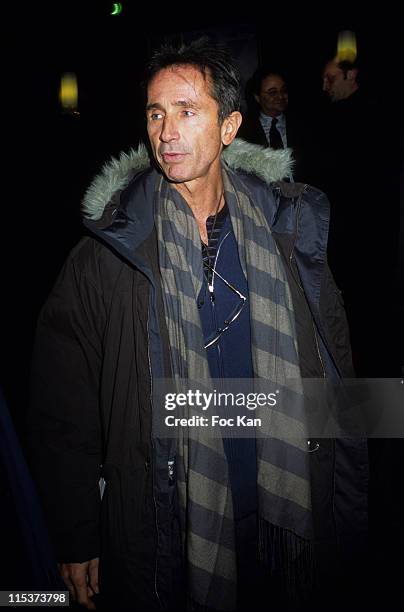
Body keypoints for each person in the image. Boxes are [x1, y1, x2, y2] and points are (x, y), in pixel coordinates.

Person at [28, 39, 369, 611]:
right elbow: (63, 404)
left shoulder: (288, 231)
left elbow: (337, 367)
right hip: (172, 514)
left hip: (282, 504)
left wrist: (354, 492)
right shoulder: (111, 253)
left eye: (187, 111)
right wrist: (76, 529)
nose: (166, 132)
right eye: (156, 113)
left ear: (230, 126)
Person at [238, 67, 313, 182]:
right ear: (257, 97)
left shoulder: (303, 125)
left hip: (303, 195)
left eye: (283, 90)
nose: (280, 96)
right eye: (272, 92)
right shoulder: (245, 131)